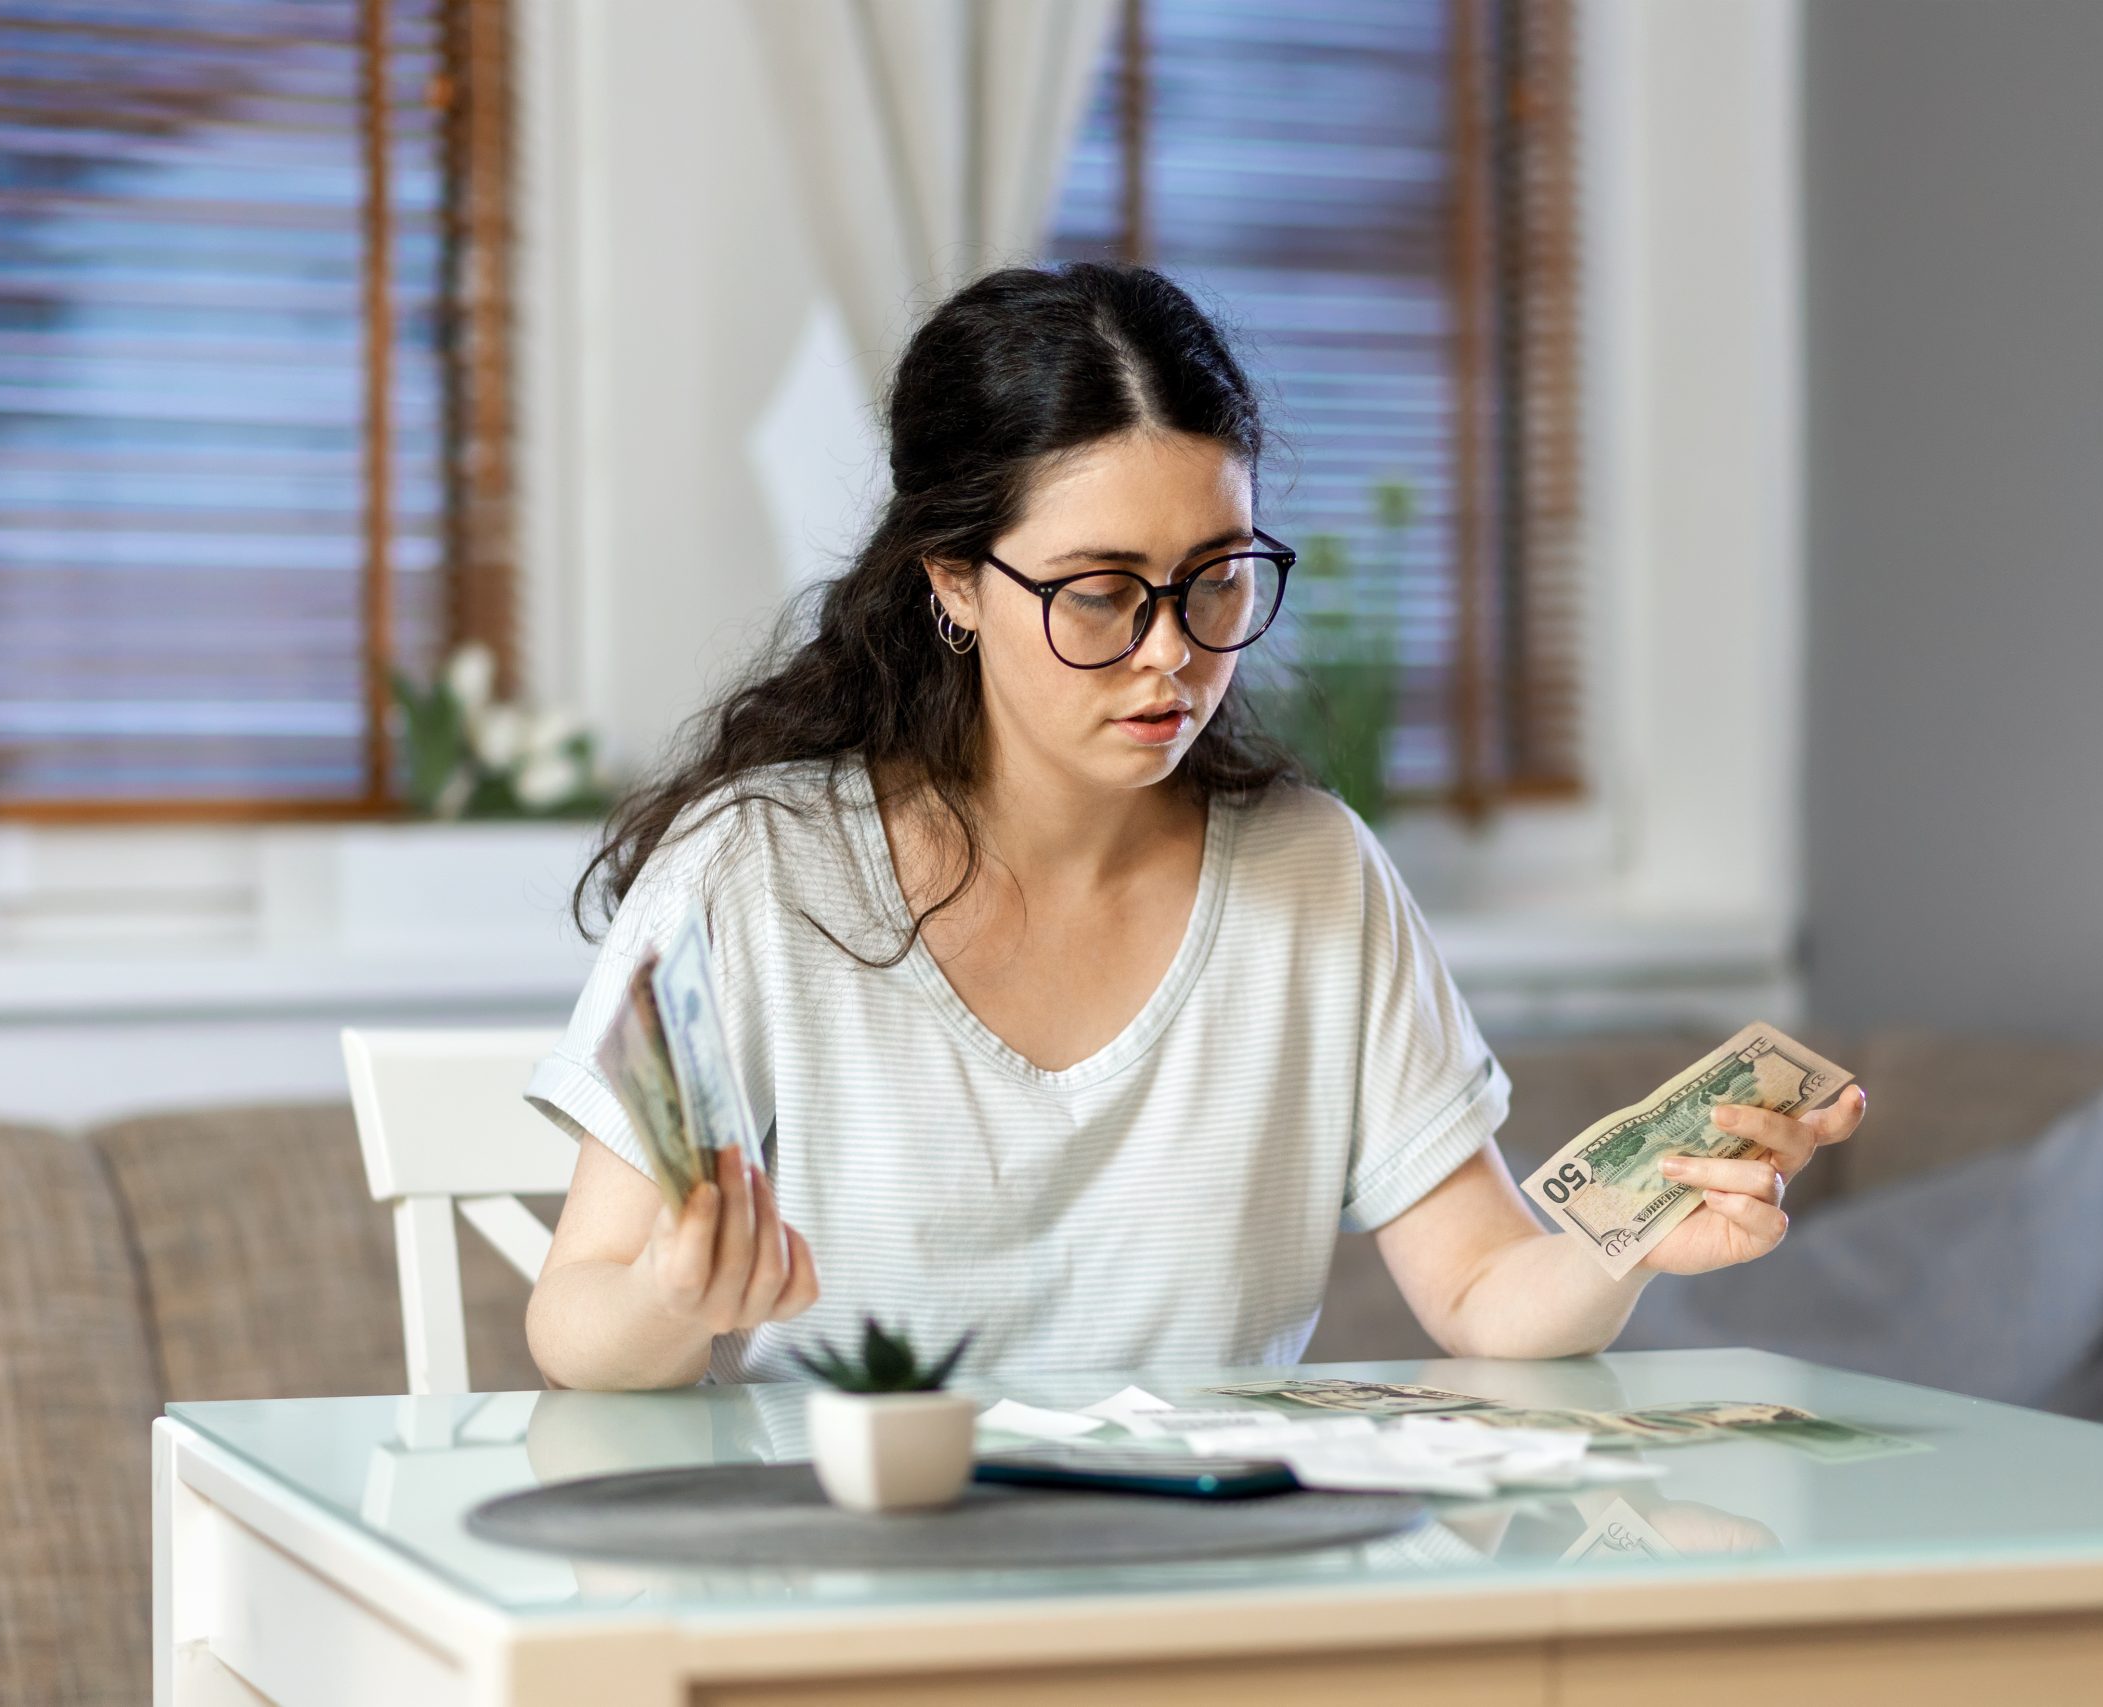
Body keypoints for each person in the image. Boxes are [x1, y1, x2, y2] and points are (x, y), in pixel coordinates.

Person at [522, 262, 1865, 1391]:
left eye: (1216, 580)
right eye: (1101, 593)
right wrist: (671, 1292)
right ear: (954, 582)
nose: (1173, 654)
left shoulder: (1312, 874)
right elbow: (573, 1318)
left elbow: (1480, 1291)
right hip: (863, 1592)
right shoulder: (761, 878)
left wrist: (1624, 1234)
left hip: (1215, 1598)